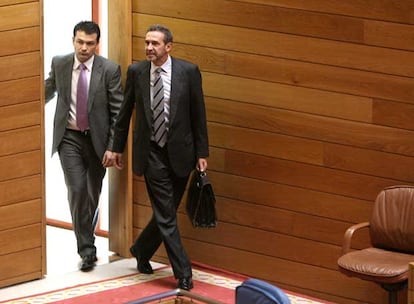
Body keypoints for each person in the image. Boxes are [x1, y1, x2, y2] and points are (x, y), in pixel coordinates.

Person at [109, 24, 209, 290]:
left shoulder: (188, 72)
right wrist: (116, 147)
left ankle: (141, 249)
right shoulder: (137, 71)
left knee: (166, 212)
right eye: (147, 43)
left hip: (181, 155)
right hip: (150, 152)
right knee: (166, 215)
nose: (149, 48)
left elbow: (199, 115)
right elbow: (124, 113)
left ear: (168, 47)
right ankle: (183, 272)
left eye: (155, 43)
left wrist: (202, 153)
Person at [44, 21, 123, 271]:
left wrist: (113, 147)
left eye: (89, 43)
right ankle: (87, 250)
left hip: (97, 141)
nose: (84, 48)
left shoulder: (109, 69)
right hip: (69, 137)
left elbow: (118, 112)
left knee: (91, 192)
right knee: (76, 190)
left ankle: (89, 218)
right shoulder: (60, 63)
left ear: (96, 44)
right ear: (73, 40)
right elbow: (44, 92)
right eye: (80, 42)